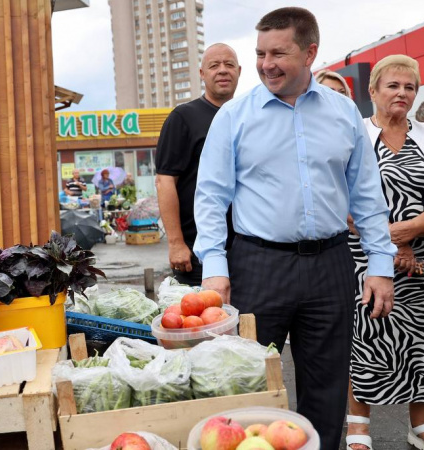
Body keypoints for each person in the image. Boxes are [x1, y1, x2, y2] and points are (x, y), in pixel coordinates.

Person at [193, 8, 396, 449]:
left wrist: (381, 264)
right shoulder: (234, 116)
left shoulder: (344, 113)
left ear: (309, 53)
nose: (266, 64)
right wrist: (214, 267)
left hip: (331, 266)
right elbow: (210, 197)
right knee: (247, 383)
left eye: (278, 54)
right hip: (257, 266)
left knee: (326, 386)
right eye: (260, 54)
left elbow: (366, 194)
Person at [344, 55, 424, 450]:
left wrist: (409, 232)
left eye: (409, 87)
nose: (402, 93)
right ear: (373, 90)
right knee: (368, 335)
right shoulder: (355, 134)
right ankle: (358, 424)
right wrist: (390, 242)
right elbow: (339, 198)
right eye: (393, 85)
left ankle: (423, 427)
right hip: (366, 255)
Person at [155, 43, 241, 286]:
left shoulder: (247, 116)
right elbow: (165, 182)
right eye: (214, 65)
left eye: (229, 65)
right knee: (204, 311)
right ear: (202, 74)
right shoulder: (183, 117)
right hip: (198, 251)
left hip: (248, 249)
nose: (223, 70)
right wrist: (176, 243)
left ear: (239, 71)